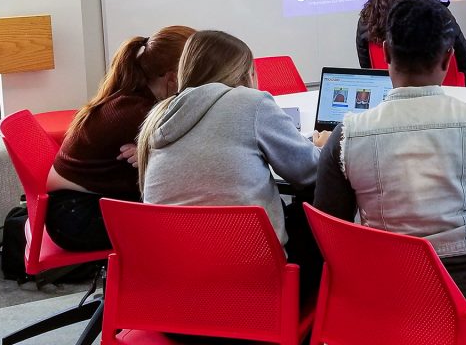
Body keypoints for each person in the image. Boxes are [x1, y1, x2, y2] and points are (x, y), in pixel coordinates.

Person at [316, 0, 466, 345]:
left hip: (389, 308)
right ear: (448, 58)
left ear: (386, 53)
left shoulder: (347, 135)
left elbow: (331, 236)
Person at [137, 30, 328, 296]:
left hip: (175, 301)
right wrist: (322, 147)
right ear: (244, 75)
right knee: (314, 212)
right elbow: (311, 172)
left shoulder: (159, 118)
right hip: (254, 300)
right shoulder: (250, 101)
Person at [45, 25, 195, 252]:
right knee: (187, 219)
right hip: (76, 216)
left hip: (83, 206)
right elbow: (192, 156)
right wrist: (155, 155)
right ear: (173, 78)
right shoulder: (137, 112)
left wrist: (152, 154)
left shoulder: (139, 98)